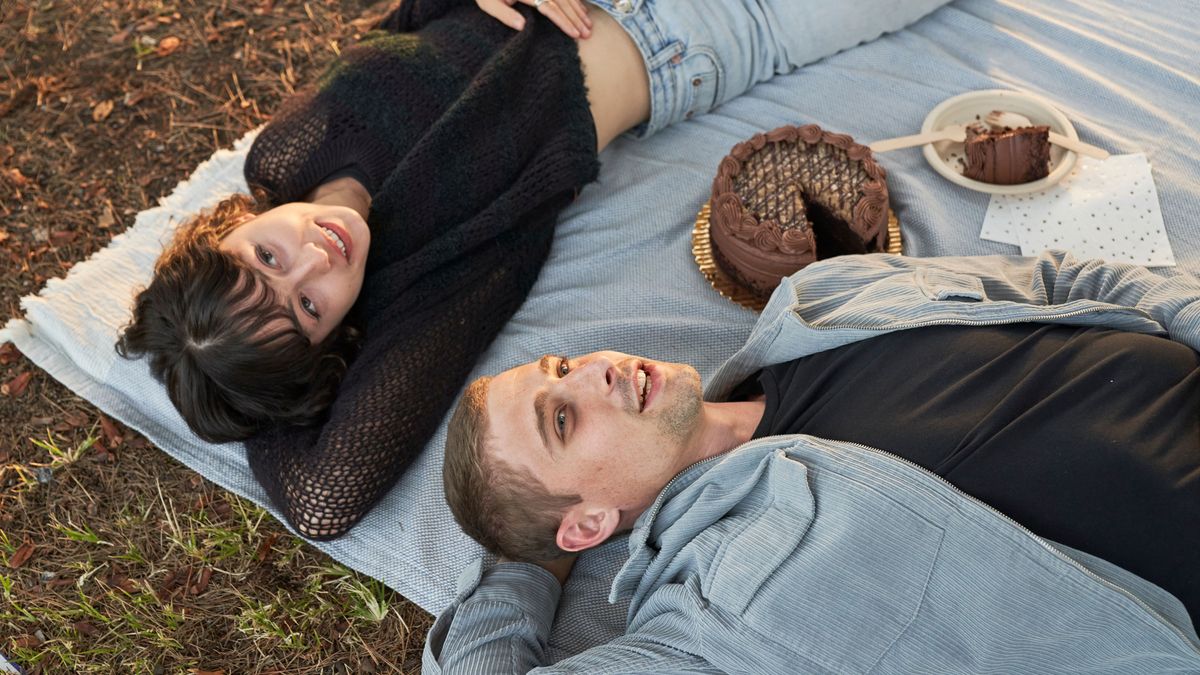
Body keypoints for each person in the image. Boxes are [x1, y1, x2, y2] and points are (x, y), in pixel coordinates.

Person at [114, 0, 952, 539]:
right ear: (334, 341)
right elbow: (325, 497)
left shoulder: (282, 152)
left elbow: (415, 27)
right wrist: (246, 389)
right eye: (307, 307)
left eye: (266, 257)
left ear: (228, 228)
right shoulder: (425, 285)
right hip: (700, 30)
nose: (314, 258)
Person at [428, 250, 1200, 673]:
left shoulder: (822, 298)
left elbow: (1063, 279)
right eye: (562, 418)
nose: (593, 372)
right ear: (588, 521)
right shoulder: (717, 608)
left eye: (561, 366)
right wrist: (522, 558)